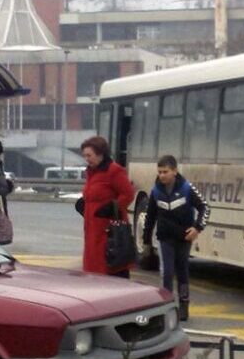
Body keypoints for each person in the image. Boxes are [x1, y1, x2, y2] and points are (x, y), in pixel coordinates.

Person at [142, 155, 209, 322]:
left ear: (174, 171)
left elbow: (204, 207)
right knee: (167, 272)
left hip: (184, 237)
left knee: (182, 271)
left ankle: (184, 304)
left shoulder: (186, 188)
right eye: (159, 172)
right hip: (165, 238)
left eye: (165, 172)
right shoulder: (156, 191)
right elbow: (150, 217)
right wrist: (146, 240)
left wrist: (198, 228)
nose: (162, 175)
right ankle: (166, 306)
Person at [79, 136, 135, 278]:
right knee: (93, 268)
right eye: (84, 155)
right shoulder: (91, 172)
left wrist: (112, 207)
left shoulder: (114, 171)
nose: (87, 159)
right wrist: (84, 204)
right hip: (92, 228)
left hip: (108, 230)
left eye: (89, 155)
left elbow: (128, 194)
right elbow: (93, 194)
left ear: (100, 153)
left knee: (108, 265)